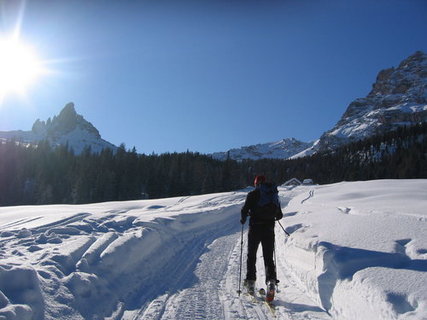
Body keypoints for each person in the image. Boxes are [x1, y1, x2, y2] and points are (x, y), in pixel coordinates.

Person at [240, 175, 283, 299]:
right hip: (269, 229)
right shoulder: (273, 195)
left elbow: (244, 211)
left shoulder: (252, 195)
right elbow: (279, 215)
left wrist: (243, 219)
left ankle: (251, 283)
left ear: (256, 183)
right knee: (268, 257)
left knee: (251, 255)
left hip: (255, 228)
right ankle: (271, 282)